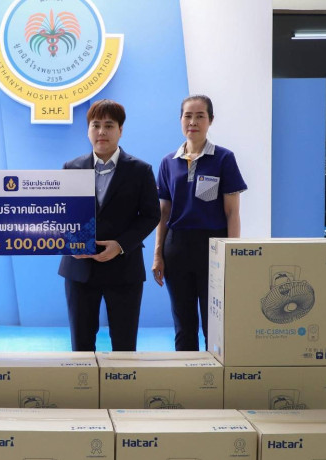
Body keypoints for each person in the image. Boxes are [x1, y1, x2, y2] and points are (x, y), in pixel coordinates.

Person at [59, 99, 160, 351]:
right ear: (88, 130)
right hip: (80, 269)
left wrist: (121, 245)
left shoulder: (140, 170)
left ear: (120, 130)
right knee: (81, 347)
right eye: (95, 125)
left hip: (124, 269)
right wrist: (71, 243)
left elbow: (151, 215)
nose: (101, 131)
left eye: (109, 125)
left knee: (124, 346)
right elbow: (61, 214)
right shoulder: (71, 168)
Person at [152, 94, 247, 351]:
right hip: (176, 247)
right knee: (183, 322)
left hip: (212, 247)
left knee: (213, 322)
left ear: (210, 120)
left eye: (200, 116)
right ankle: (186, 373)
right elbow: (163, 213)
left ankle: (212, 373)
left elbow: (232, 213)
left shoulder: (223, 159)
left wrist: (232, 254)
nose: (193, 122)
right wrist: (158, 254)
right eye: (188, 116)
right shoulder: (168, 162)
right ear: (180, 120)